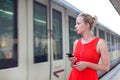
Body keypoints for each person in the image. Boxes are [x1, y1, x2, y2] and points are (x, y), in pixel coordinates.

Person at [68, 13, 110, 80]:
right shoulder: (76, 43)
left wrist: (87, 64)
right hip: (74, 77)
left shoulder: (100, 43)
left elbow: (106, 67)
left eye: (78, 24)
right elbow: (73, 66)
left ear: (87, 25)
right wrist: (72, 62)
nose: (75, 26)